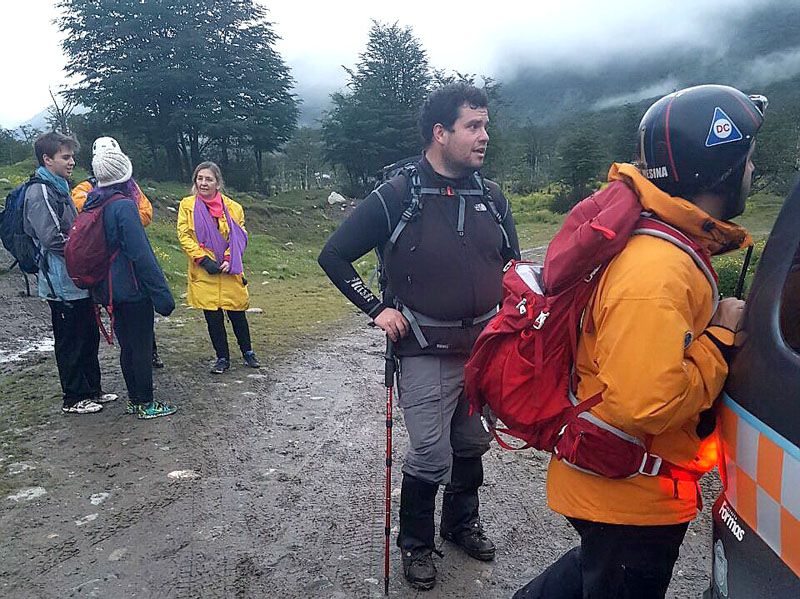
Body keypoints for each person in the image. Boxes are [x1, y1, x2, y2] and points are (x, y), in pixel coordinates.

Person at [514, 85, 767, 599]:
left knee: (597, 568)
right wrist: (720, 337)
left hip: (620, 483)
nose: (752, 172)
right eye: (746, 160)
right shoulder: (658, 270)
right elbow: (646, 403)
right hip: (630, 493)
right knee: (615, 572)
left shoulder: (663, 247)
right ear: (717, 169)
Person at [318, 82, 520, 590]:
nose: (484, 136)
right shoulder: (398, 194)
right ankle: (415, 544)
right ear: (440, 132)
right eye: (473, 126)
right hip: (424, 349)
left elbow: (514, 268)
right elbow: (334, 256)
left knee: (471, 443)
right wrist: (377, 308)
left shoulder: (492, 198)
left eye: (485, 126)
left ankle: (459, 523)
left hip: (481, 351)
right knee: (431, 453)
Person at [22, 132, 117, 414]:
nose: (72, 161)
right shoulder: (39, 191)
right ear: (47, 159)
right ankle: (73, 398)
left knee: (88, 333)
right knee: (69, 338)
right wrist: (87, 255)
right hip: (60, 281)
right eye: (66, 157)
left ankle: (93, 390)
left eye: (72, 156)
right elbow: (52, 238)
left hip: (78, 279)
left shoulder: (61, 185)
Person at [83, 140, 177, 419]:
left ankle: (135, 400)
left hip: (108, 289)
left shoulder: (94, 201)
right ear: (125, 175)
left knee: (128, 345)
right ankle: (147, 403)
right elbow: (141, 254)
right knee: (141, 345)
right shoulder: (123, 206)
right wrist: (162, 295)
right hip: (132, 288)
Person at [72, 137, 164, 369]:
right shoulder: (87, 189)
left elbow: (146, 213)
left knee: (132, 321)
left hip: (112, 263)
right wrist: (121, 221)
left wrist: (121, 222)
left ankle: (148, 353)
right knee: (133, 317)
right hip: (115, 264)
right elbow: (81, 207)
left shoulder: (128, 188)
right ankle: (142, 393)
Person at [176, 161, 260, 374]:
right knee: (213, 317)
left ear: (218, 183)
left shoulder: (234, 208)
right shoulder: (187, 205)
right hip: (204, 271)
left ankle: (248, 352)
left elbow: (239, 237)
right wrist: (202, 260)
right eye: (200, 178)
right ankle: (222, 357)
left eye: (208, 179)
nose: (204, 183)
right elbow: (184, 235)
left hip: (230, 269)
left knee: (237, 313)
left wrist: (230, 259)